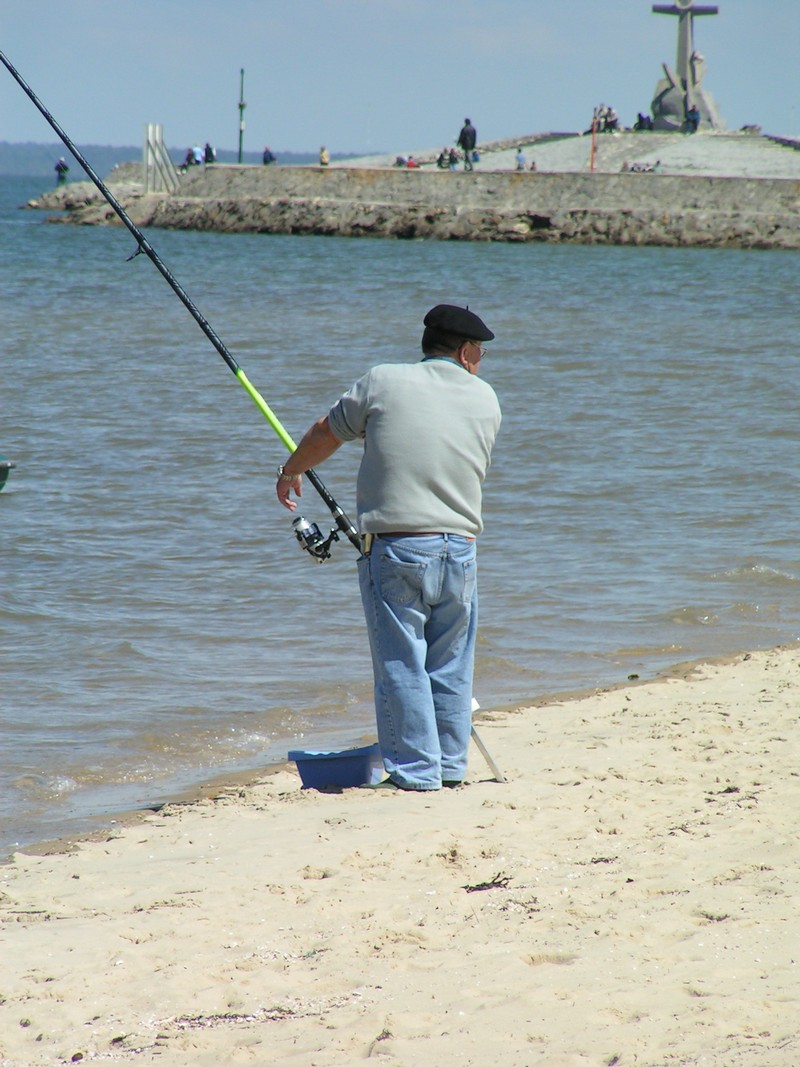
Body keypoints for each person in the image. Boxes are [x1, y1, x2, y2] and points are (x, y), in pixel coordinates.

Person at [276, 304, 501, 791]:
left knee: (402, 661)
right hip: (461, 548)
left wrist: (291, 470)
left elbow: (324, 432)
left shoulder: (383, 381)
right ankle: (450, 767)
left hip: (398, 548)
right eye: (479, 352)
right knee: (451, 663)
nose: (481, 361)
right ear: (464, 352)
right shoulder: (487, 399)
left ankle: (417, 772)